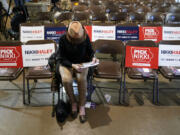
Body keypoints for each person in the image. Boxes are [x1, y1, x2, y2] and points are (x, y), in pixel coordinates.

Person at [56, 21, 99, 123]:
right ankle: (73, 102)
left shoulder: (85, 36)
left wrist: (93, 57)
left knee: (81, 79)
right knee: (66, 80)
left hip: (82, 63)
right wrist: (72, 65)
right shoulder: (63, 39)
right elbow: (61, 57)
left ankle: (82, 105)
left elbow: (90, 51)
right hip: (67, 63)